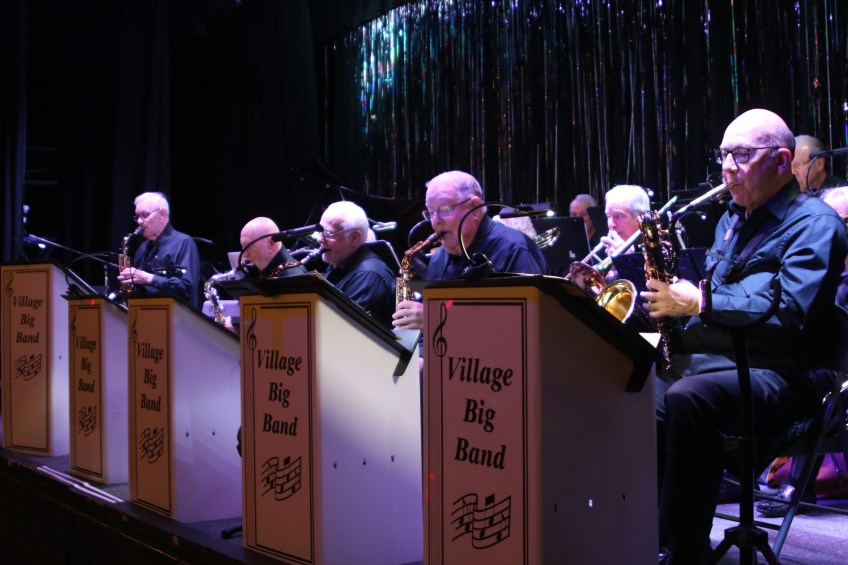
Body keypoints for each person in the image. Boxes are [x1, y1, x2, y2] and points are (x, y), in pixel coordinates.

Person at [642, 109, 848, 564]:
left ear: (781, 160)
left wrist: (701, 302)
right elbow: (729, 294)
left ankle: (681, 551)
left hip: (785, 373)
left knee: (690, 397)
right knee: (636, 390)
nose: (727, 167)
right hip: (725, 360)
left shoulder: (816, 224)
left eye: (740, 155)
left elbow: (790, 313)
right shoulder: (731, 220)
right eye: (723, 155)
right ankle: (643, 534)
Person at [754, 185, 848, 518]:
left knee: (824, 386)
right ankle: (740, 471)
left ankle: (797, 484)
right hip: (817, 360)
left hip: (839, 370)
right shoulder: (814, 265)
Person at [393, 170, 547, 331]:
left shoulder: (514, 250)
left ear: (474, 208)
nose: (436, 221)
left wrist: (436, 318)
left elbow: (525, 324)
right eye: (431, 212)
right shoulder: (439, 259)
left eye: (444, 208)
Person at [318, 201, 396, 329]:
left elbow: (343, 329)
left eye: (328, 233)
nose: (319, 239)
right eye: (320, 231)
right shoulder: (338, 264)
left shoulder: (368, 274)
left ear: (354, 237)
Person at [118, 192, 201, 308]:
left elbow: (187, 288)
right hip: (145, 313)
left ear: (162, 214)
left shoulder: (183, 242)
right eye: (137, 217)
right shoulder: (142, 248)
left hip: (177, 316)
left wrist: (149, 278)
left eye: (145, 215)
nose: (139, 222)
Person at [238, 216, 307, 279]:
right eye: (243, 247)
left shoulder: (290, 278)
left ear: (271, 243)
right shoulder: (263, 272)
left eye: (249, 246)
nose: (244, 254)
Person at [600, 184, 651, 256]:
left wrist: (625, 259)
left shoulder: (659, 252)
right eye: (608, 216)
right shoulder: (609, 249)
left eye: (619, 216)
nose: (611, 224)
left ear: (641, 216)